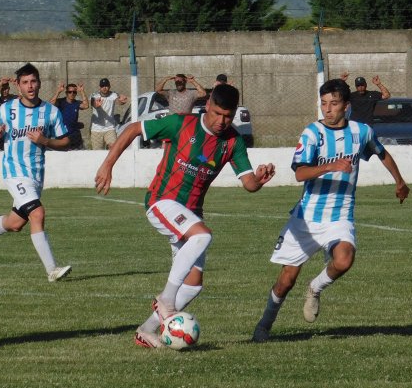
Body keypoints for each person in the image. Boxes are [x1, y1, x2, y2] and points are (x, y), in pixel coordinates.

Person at [95, 84, 276, 349]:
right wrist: (107, 165)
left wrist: (259, 179)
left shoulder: (232, 141)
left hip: (191, 214)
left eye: (227, 116)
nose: (221, 121)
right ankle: (166, 301)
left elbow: (248, 183)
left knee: (193, 285)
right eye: (216, 113)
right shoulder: (181, 124)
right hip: (162, 201)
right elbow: (134, 128)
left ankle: (146, 330)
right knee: (202, 236)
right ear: (208, 104)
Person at [251, 78, 409, 343]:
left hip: (340, 215)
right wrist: (330, 166)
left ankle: (315, 288)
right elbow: (300, 173)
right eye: (324, 103)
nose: (327, 109)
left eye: (333, 104)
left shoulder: (361, 132)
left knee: (344, 259)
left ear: (346, 106)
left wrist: (400, 182)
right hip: (306, 218)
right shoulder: (312, 133)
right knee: (286, 281)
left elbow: (382, 153)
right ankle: (264, 325)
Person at [0, 63, 72, 282]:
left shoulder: (50, 111)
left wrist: (45, 141)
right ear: (18, 85)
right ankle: (52, 270)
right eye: (25, 82)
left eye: (33, 81)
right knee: (37, 213)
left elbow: (66, 141)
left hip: (36, 175)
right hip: (14, 172)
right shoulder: (7, 109)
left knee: (15, 224)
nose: (30, 86)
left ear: (39, 83)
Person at [90, 78, 128, 150]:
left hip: (110, 128)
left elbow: (118, 101)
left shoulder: (113, 95)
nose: (104, 88)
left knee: (113, 148)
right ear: (99, 87)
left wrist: (122, 101)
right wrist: (96, 105)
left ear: (109, 86)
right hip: (96, 129)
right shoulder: (95, 95)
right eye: (102, 86)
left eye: (106, 86)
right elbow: (93, 103)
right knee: (97, 152)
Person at [49, 81, 89, 150]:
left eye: (74, 92)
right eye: (69, 92)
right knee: (61, 153)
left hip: (74, 133)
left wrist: (82, 91)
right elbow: (51, 104)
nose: (72, 94)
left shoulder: (76, 103)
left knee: (78, 153)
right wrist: (58, 91)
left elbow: (86, 105)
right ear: (66, 93)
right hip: (62, 133)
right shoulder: (60, 101)